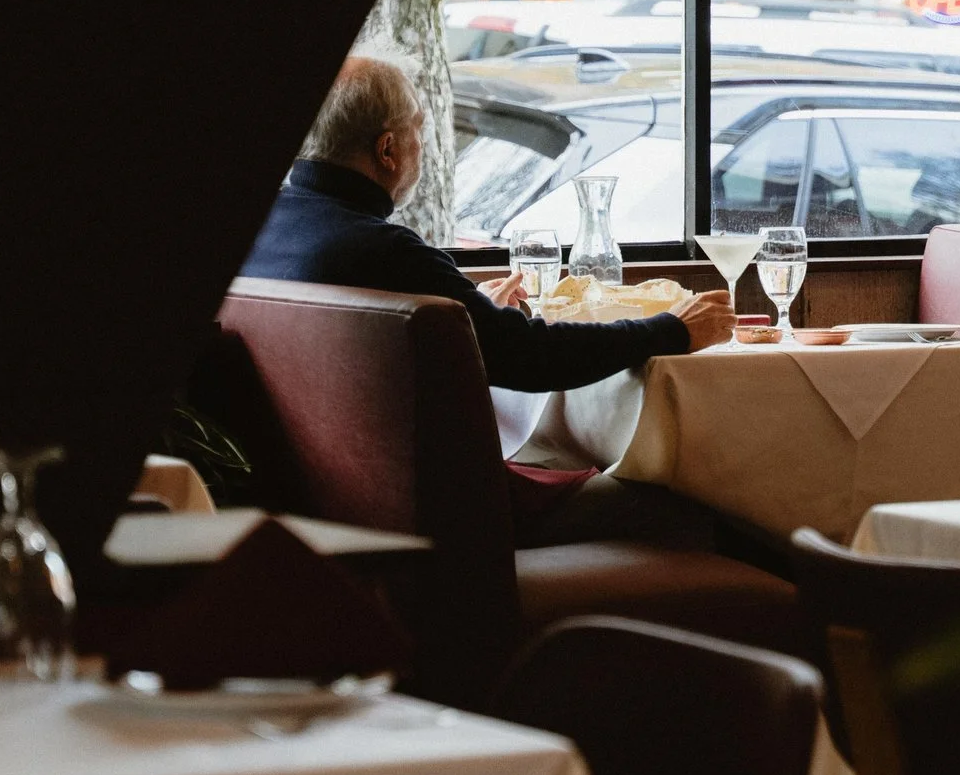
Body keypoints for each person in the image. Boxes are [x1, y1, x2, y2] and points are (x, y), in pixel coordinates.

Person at [239, 56, 733, 543]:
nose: (424, 148)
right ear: (387, 150)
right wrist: (674, 328)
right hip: (442, 516)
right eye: (420, 132)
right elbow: (532, 357)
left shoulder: (258, 231)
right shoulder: (385, 252)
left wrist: (466, 306)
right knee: (703, 506)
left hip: (325, 503)